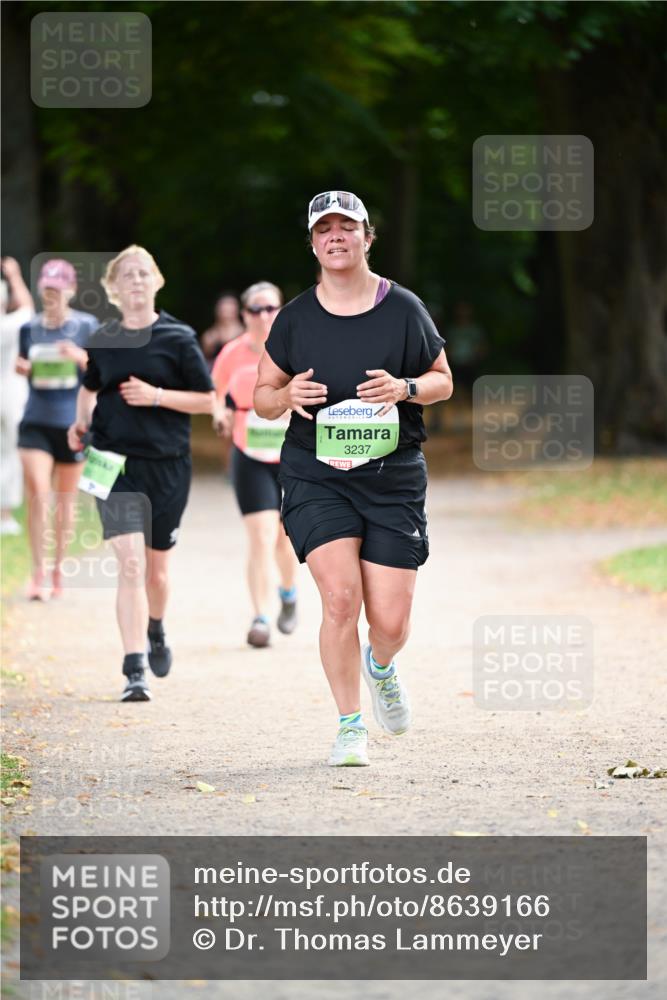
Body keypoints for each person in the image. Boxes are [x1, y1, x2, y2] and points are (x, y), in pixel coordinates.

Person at [254, 191, 453, 766]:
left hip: (392, 479)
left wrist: (405, 388)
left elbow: (443, 380)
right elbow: (261, 397)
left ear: (368, 237)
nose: (335, 236)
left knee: (389, 622)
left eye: (347, 227)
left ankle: (381, 666)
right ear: (313, 243)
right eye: (324, 229)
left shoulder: (404, 309)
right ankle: (349, 726)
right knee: (340, 600)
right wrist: (286, 394)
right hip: (316, 475)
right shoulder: (294, 318)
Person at [67, 245, 215, 702]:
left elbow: (208, 401)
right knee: (128, 563)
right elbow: (90, 386)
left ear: (156, 281)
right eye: (126, 274)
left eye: (143, 273)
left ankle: (155, 627)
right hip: (110, 462)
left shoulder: (178, 337)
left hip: (167, 464)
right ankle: (134, 669)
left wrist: (156, 396)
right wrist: (81, 420)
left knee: (155, 574)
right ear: (113, 288)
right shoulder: (104, 338)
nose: (135, 280)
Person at [212, 281, 298, 648]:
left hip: (291, 457)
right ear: (245, 315)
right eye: (257, 309)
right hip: (249, 455)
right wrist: (220, 415)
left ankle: (289, 593)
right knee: (261, 537)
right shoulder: (231, 354)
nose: (265, 316)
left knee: (285, 540)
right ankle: (260, 617)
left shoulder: (293, 349)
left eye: (271, 308)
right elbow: (214, 395)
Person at [16, 259, 97, 599]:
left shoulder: (86, 326)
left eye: (58, 289)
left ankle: (58, 570)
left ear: (71, 291)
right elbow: (25, 365)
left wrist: (80, 357)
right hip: (35, 420)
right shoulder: (29, 328)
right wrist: (24, 368)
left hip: (72, 423)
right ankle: (37, 573)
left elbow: (102, 370)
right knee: (38, 492)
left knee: (65, 502)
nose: (52, 295)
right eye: (47, 289)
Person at [1, 257, 33, 535]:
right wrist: (15, 276)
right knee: (10, 453)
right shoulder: (10, 325)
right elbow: (28, 308)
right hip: (10, 394)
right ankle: (5, 516)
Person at [200, 293, 243, 363]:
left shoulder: (246, 334)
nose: (227, 311)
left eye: (230, 307)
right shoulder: (210, 336)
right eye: (224, 308)